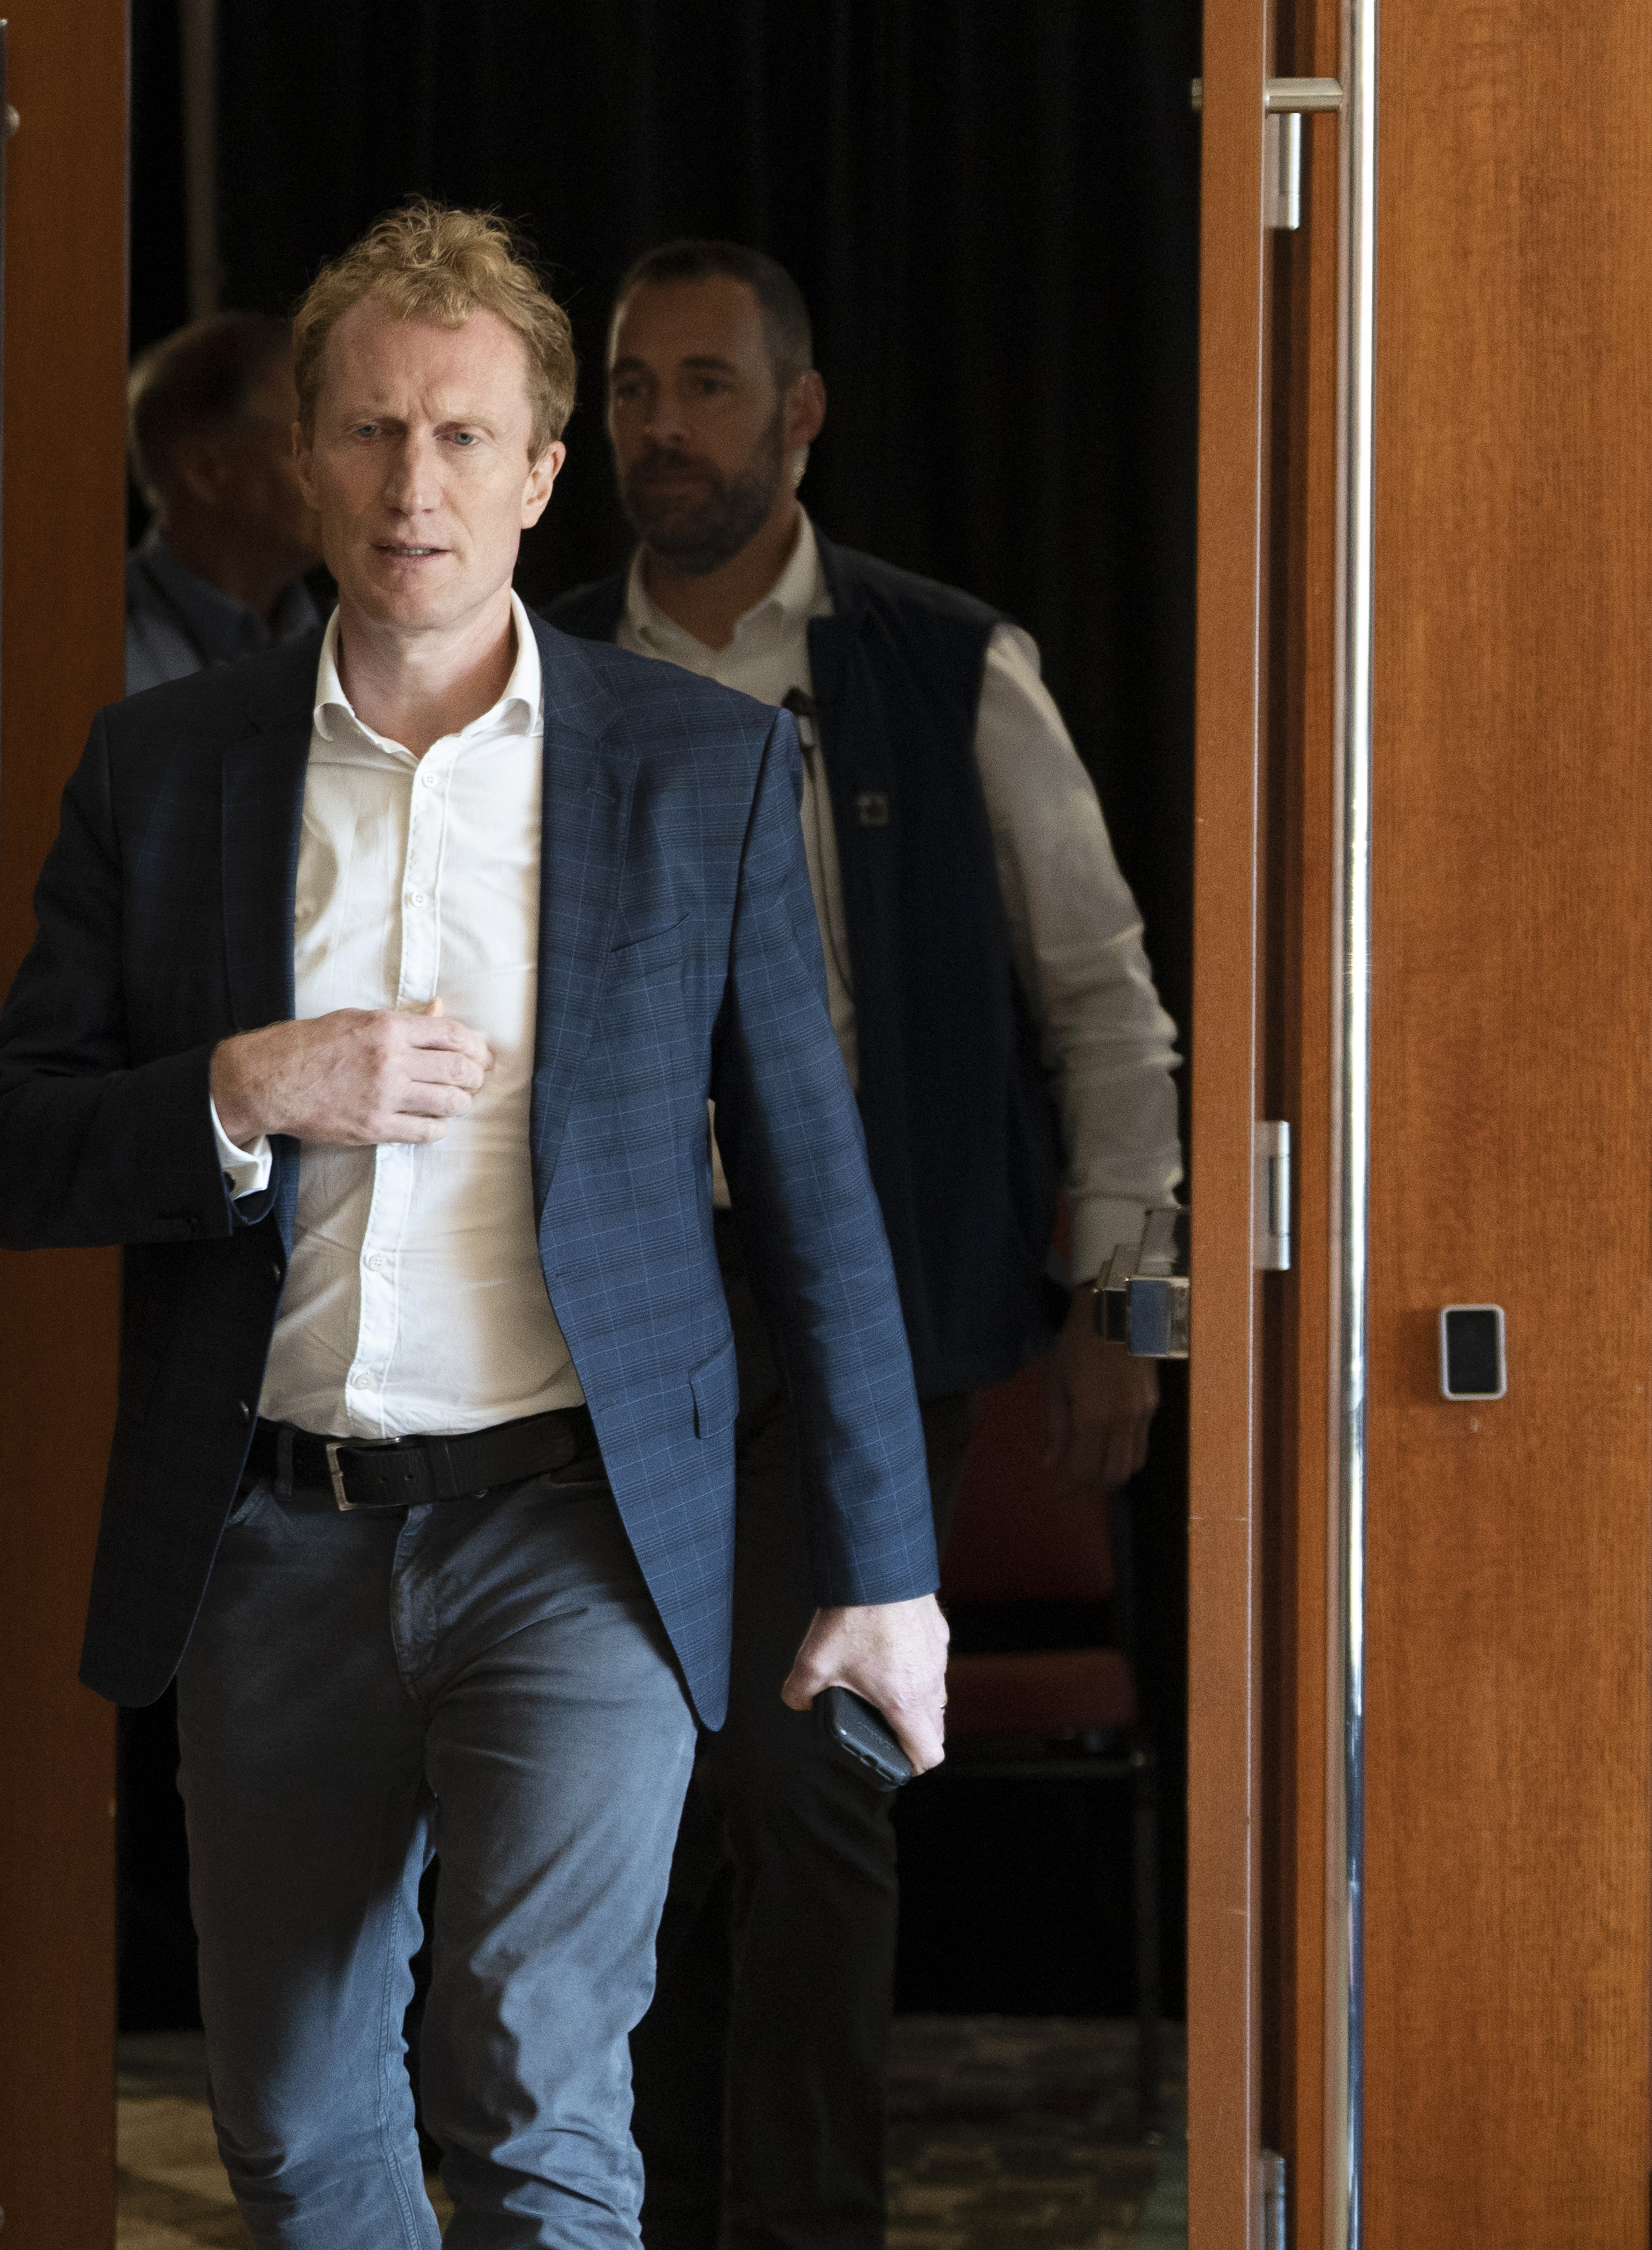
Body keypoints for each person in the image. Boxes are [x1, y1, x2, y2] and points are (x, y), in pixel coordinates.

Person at [0, 200, 949, 2250]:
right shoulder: (162, 770)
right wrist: (239, 1088)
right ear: (306, 457)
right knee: (296, 2127)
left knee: (526, 2082)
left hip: (575, 1532)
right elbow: (8, 1149)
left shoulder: (697, 769)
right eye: (370, 434)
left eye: (461, 438)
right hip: (268, 1540)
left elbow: (812, 1190)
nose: (414, 484)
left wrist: (886, 1567)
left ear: (539, 470)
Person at [546, 238, 1182, 2250]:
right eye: (635, 388)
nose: (663, 426)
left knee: (810, 1791)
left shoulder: (941, 661)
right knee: (630, 1803)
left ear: (797, 412)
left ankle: (797, 2223)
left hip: (865, 1312)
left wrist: (1121, 1299)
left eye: (706, 387)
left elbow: (1091, 993)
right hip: (593, 1325)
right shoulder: (528, 667)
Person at [127, 309, 324, 691]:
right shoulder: (96, 655)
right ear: (205, 469)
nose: (337, 473)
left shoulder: (346, 642)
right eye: (304, 446)